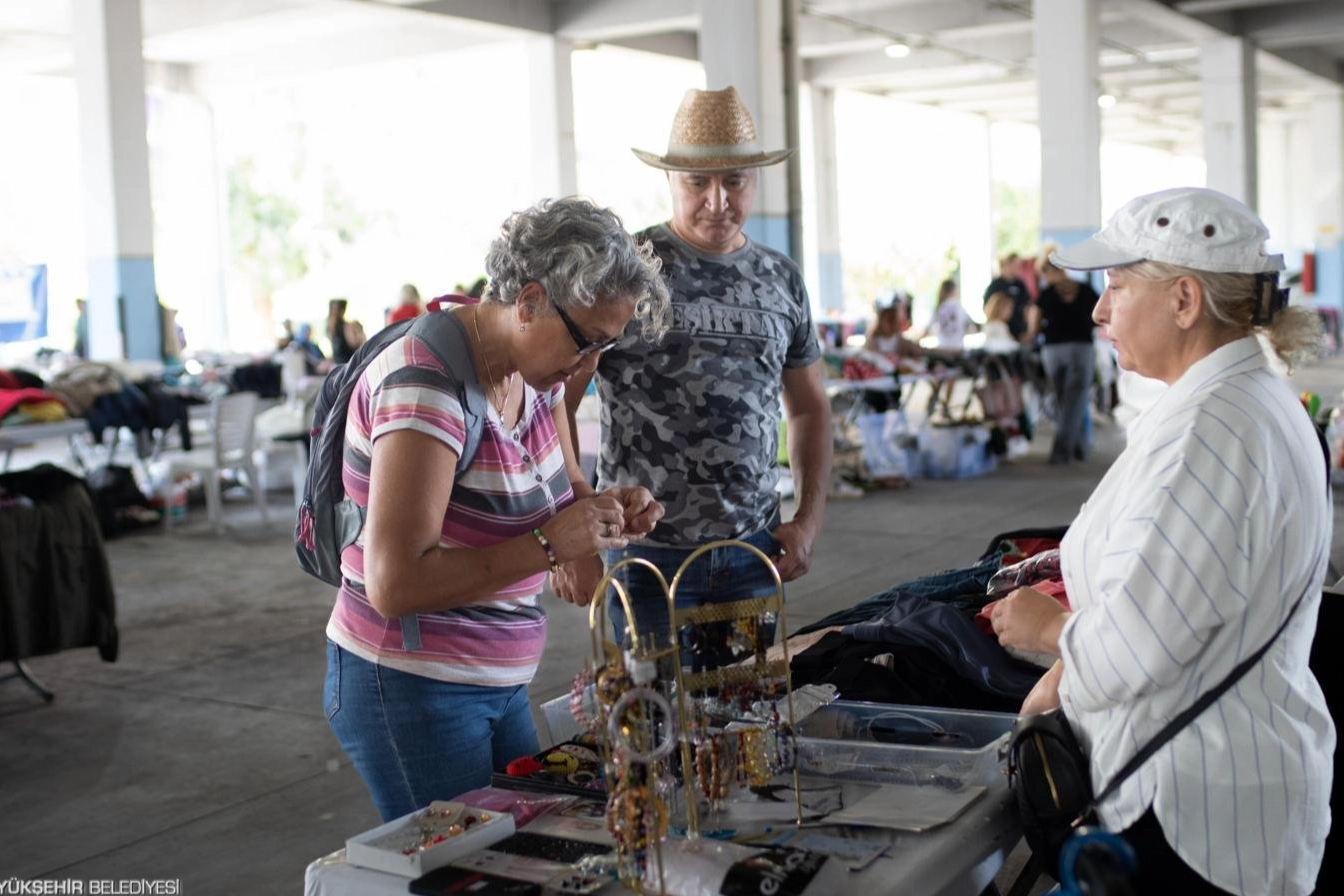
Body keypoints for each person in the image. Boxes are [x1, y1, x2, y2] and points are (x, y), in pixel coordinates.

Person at [989, 187, 1332, 896]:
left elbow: (1135, 649)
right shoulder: (1238, 402)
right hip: (1218, 794)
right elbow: (1184, 611)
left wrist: (1050, 630)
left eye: (1115, 286)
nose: (1099, 310)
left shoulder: (1213, 430)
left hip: (1192, 818)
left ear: (1184, 301)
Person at [324, 197, 671, 821]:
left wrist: (605, 511)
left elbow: (564, 494)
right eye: (587, 344)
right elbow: (395, 583)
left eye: (605, 350)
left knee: (527, 849)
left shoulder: (533, 377)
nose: (589, 368)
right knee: (465, 869)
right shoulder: (424, 387)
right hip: (413, 686)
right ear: (530, 301)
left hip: (496, 678)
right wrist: (549, 545)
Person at [563, 86, 832, 656]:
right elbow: (553, 404)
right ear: (669, 182)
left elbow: (808, 405)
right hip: (645, 557)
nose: (718, 200)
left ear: (755, 180)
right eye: (697, 183)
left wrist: (807, 522)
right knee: (650, 727)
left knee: (745, 728)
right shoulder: (625, 271)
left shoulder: (781, 280)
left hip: (753, 552)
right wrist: (574, 534)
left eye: (734, 181)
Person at [1028, 246, 1099, 463]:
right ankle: (1073, 447)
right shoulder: (1086, 290)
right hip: (1082, 348)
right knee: (1074, 400)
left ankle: (1067, 449)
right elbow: (1099, 317)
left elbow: (1033, 327)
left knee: (1063, 401)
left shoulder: (1046, 295)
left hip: (1053, 350)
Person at [984, 252, 1031, 339]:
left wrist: (1027, 329)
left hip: (1019, 329)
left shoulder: (1020, 285)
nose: (1018, 268)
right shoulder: (995, 286)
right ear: (1007, 264)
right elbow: (987, 308)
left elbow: (1027, 306)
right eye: (1015, 265)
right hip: (1001, 329)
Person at [925, 278, 975, 351]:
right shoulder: (959, 307)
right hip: (958, 348)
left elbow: (928, 329)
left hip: (943, 348)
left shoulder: (939, 308)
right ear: (954, 290)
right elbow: (971, 328)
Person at [327, 298, 366, 364]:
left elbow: (355, 343)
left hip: (349, 363)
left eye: (336, 310)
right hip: (340, 364)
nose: (334, 313)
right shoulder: (331, 328)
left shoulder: (346, 326)